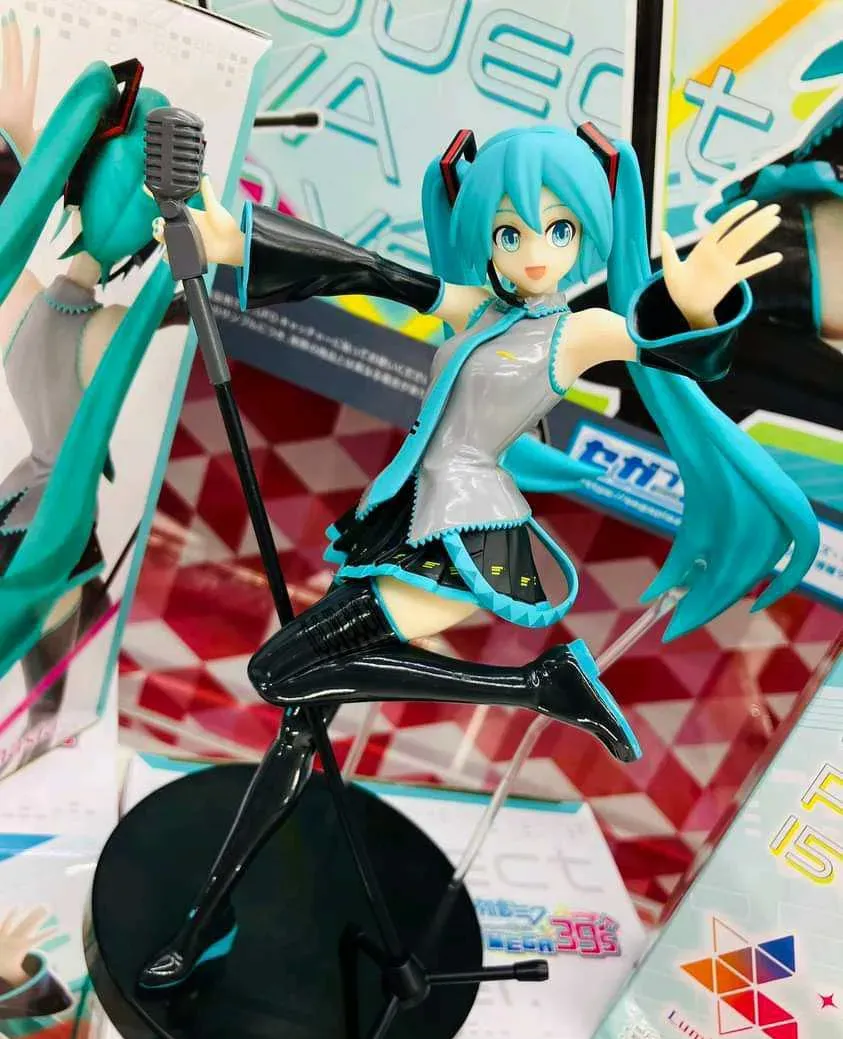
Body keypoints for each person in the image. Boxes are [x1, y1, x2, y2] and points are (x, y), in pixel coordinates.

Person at [139, 122, 819, 989]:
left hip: (456, 541)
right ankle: (208, 918)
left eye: (559, 229)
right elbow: (375, 273)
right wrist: (240, 243)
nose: (535, 252)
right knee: (300, 724)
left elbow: (647, 339)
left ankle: (538, 684)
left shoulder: (577, 331)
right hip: (401, 523)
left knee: (277, 673)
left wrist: (684, 307)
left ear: (589, 236)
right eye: (510, 230)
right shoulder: (482, 311)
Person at [0, 16, 179, 748]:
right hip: (52, 520)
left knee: (63, 656)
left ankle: (53, 734)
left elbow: (15, 227)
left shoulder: (26, 305)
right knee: (51, 681)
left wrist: (25, 143)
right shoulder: (105, 328)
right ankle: (49, 736)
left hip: (22, 501)